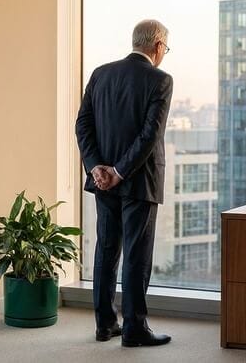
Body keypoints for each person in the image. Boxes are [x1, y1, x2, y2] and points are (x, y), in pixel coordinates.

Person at [75, 19, 174, 347]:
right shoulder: (160, 80)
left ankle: (105, 324)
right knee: (135, 254)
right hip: (139, 181)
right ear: (158, 47)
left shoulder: (101, 74)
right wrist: (119, 170)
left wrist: (96, 168)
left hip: (104, 181)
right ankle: (134, 328)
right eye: (166, 49)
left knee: (106, 249)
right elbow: (150, 135)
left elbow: (83, 125)